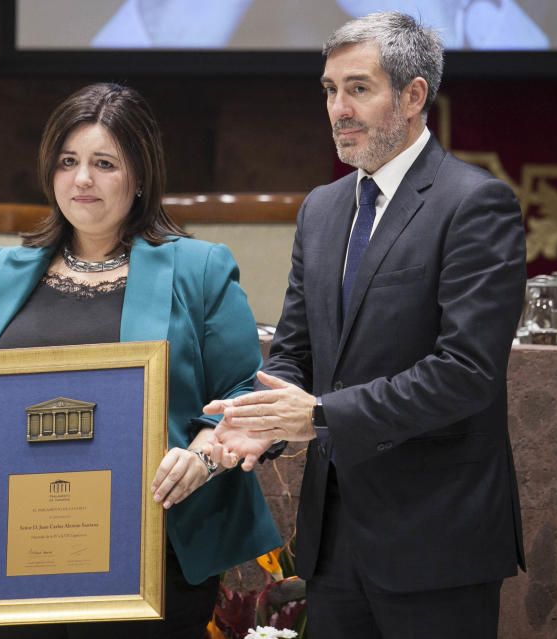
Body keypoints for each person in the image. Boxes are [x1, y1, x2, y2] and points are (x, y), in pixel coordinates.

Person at [0, 82, 281, 638]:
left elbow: (244, 393)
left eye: (104, 163)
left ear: (139, 176)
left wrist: (203, 455)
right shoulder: (3, 270)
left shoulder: (199, 268)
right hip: (21, 551)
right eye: (68, 161)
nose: (82, 179)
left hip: (153, 550)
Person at [205, 11, 526, 639]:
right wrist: (260, 424)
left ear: (412, 96)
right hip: (333, 544)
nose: (338, 109)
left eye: (358, 88)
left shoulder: (474, 203)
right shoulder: (322, 211)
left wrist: (320, 415)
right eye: (329, 90)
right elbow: (293, 352)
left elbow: (466, 374)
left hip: (437, 541)